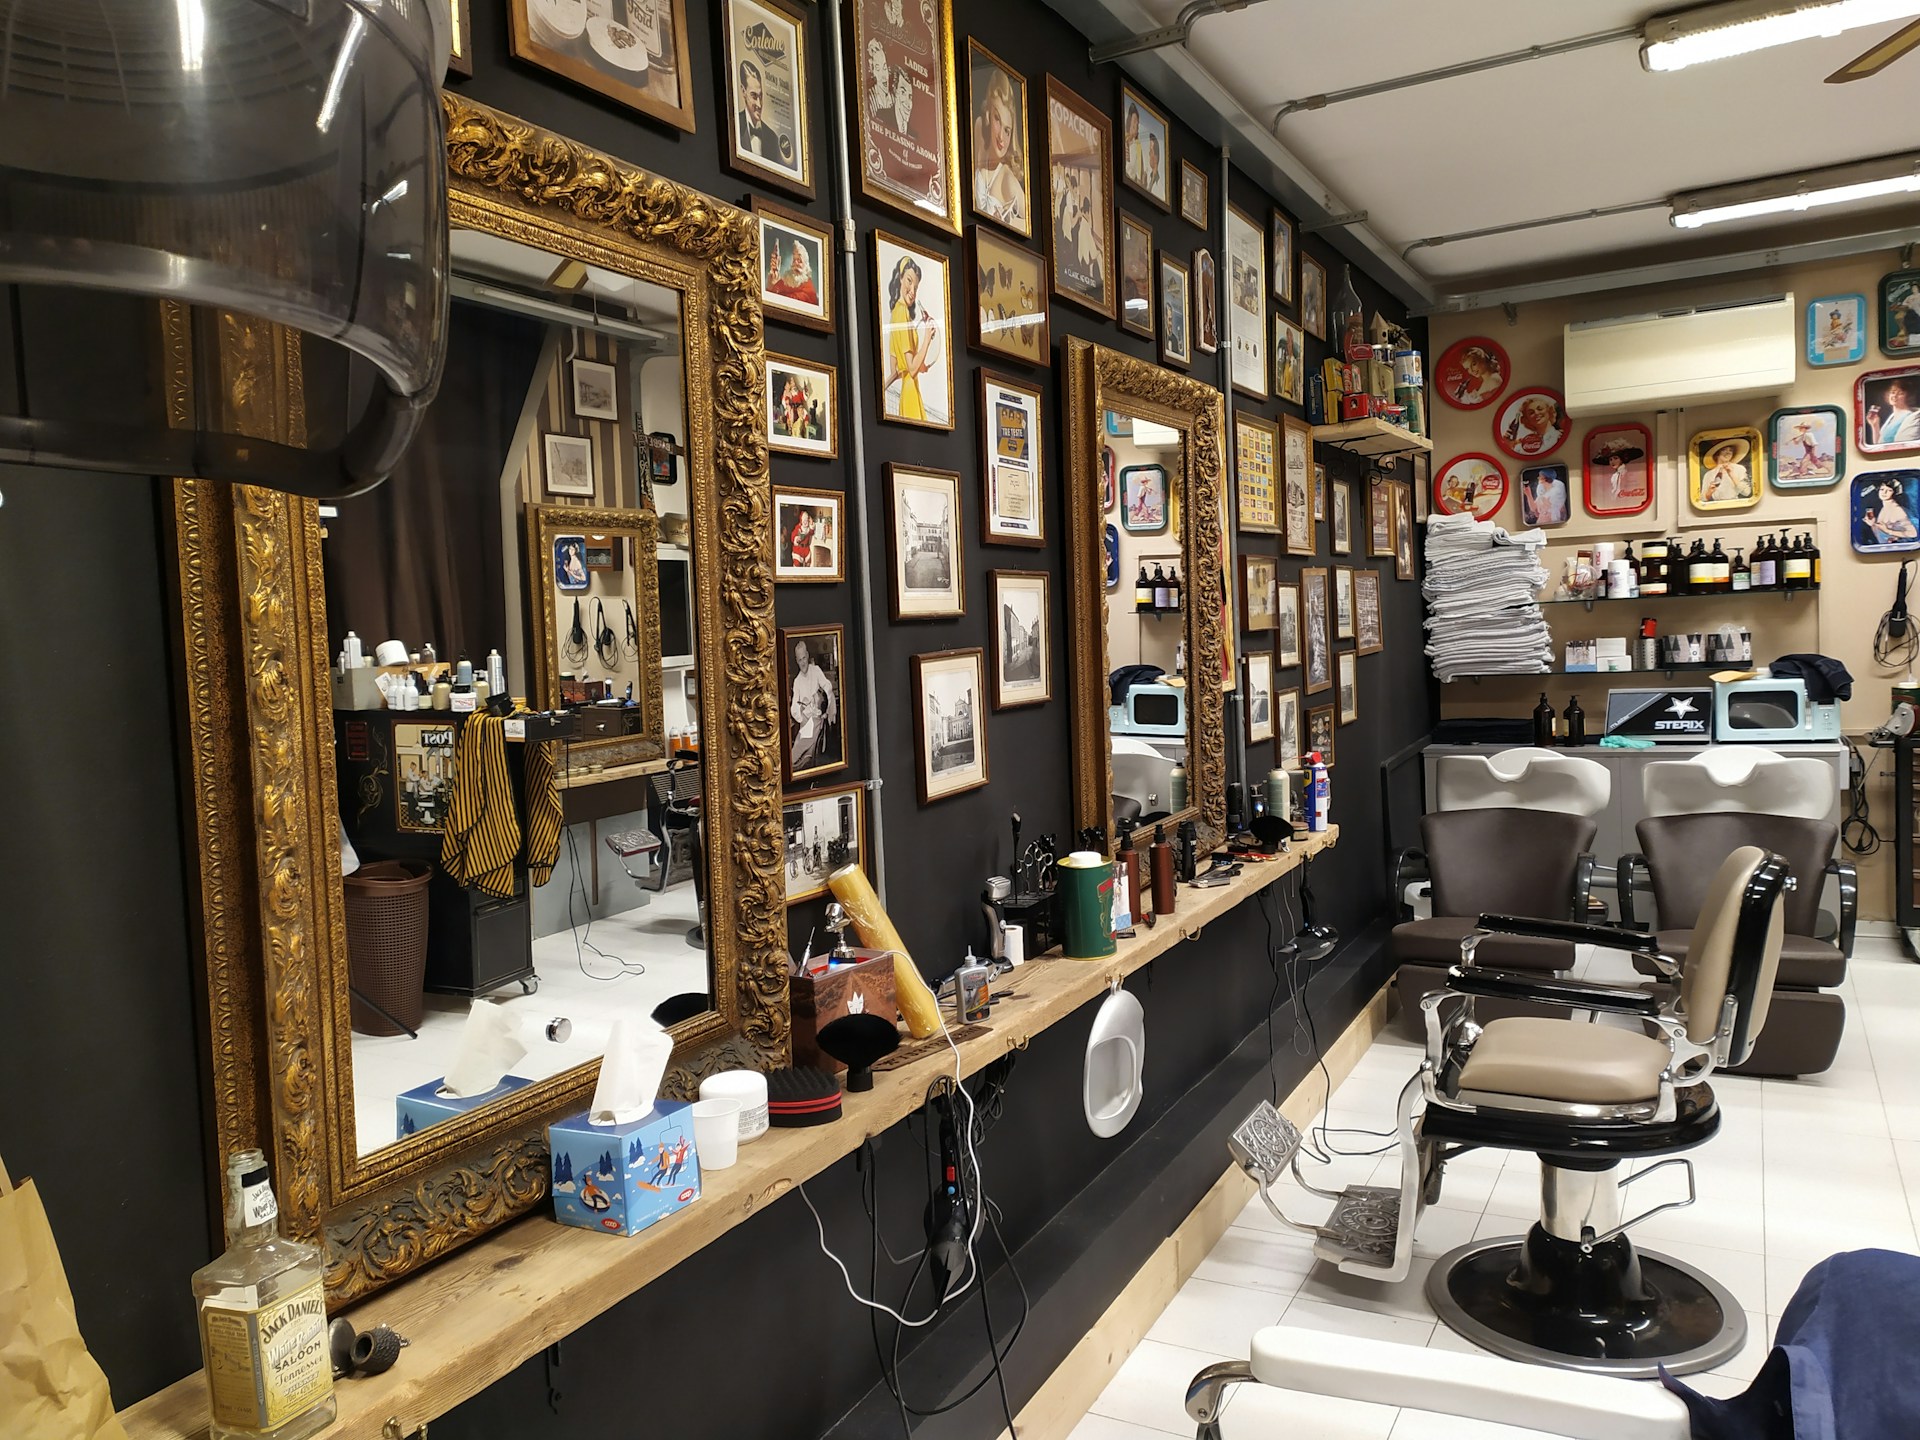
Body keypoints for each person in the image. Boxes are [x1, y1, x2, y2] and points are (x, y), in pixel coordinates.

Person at [971, 66, 1027, 229]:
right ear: (988, 115)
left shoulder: (1008, 180)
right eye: (997, 120)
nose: (1001, 137)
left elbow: (1029, 225)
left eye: (1007, 130)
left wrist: (1008, 220)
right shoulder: (979, 129)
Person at [883, 254, 934, 422]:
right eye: (909, 281)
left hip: (908, 393)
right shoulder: (902, 314)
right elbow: (910, 369)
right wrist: (927, 338)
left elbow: (897, 370)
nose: (912, 291)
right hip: (910, 392)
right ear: (900, 279)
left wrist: (920, 366)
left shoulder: (895, 314)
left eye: (916, 287)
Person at [787, 637, 838, 772]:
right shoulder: (797, 681)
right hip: (805, 721)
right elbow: (794, 708)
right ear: (797, 661)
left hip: (816, 719)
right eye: (799, 660)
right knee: (796, 754)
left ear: (807, 656)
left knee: (801, 753)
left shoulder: (815, 671)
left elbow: (827, 686)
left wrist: (830, 699)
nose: (802, 662)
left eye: (804, 658)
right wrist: (801, 715)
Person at [735, 59, 785, 163]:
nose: (759, 104)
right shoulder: (734, 126)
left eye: (760, 96)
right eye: (754, 96)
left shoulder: (773, 138)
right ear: (743, 91)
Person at [1867, 376, 1920, 447]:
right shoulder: (1892, 417)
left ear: (1908, 397)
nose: (1895, 396)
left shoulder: (1912, 417)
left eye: (1900, 393)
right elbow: (1879, 445)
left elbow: (1904, 446)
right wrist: (1875, 425)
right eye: (1893, 392)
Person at [1867, 476, 1917, 545]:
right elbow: (1880, 538)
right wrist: (1872, 525)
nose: (1884, 492)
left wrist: (1888, 531)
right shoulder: (1884, 508)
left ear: (1894, 493)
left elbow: (1913, 534)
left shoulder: (1897, 510)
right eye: (1882, 489)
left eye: (1889, 490)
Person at [767, 240, 817, 306]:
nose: (795, 263)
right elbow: (771, 298)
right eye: (794, 260)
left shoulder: (808, 286)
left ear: (806, 265)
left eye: (799, 260)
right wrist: (771, 286)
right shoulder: (786, 280)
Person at [1123, 105, 1142, 184]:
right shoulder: (1123, 140)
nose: (1136, 125)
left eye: (1137, 122)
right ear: (1129, 122)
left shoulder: (1137, 146)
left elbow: (1139, 174)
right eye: (1134, 121)